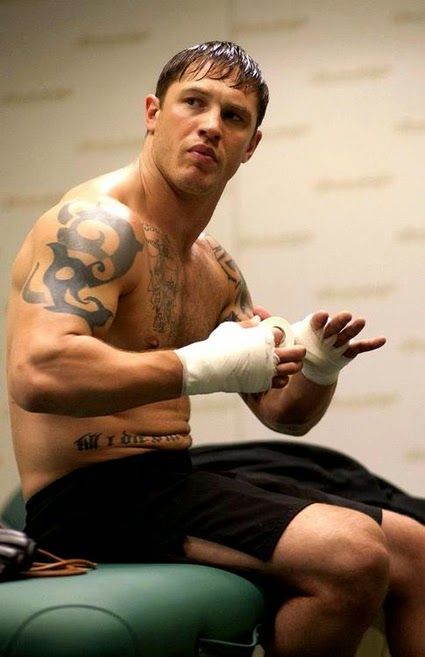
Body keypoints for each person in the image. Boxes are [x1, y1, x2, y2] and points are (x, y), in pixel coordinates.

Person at [6, 41, 425, 657]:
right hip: (83, 499)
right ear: (153, 113)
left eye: (233, 116)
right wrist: (200, 367)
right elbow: (38, 374)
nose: (210, 126)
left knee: (415, 547)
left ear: (250, 145)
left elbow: (285, 416)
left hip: (172, 480)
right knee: (351, 553)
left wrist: (318, 365)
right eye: (193, 103)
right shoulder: (94, 227)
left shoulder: (215, 268)